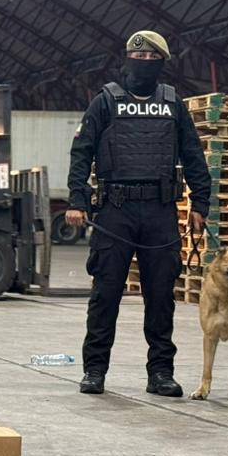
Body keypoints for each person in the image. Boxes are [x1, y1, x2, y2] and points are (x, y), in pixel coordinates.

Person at [65, 30, 210, 397]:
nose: (144, 63)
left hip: (160, 212)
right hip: (115, 210)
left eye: (152, 59)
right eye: (138, 57)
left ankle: (161, 373)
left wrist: (201, 203)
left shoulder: (172, 103)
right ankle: (94, 370)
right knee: (105, 295)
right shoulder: (105, 102)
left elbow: (193, 154)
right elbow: (81, 153)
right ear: (127, 59)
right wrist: (78, 201)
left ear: (162, 63)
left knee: (161, 298)